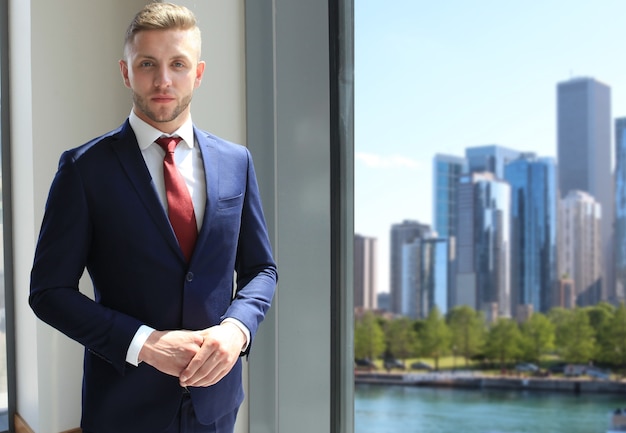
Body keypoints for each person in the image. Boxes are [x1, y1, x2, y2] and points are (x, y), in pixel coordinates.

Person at [29, 3, 277, 433]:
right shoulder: (83, 170)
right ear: (126, 71)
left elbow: (261, 269)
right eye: (147, 64)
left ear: (197, 73)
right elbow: (49, 292)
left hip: (215, 404)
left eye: (177, 64)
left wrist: (236, 329)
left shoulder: (237, 162)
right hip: (124, 407)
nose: (163, 80)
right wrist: (146, 344)